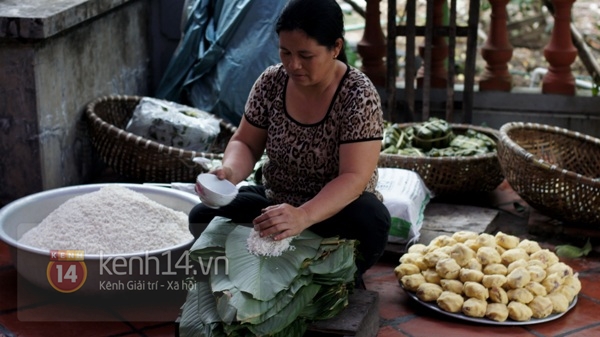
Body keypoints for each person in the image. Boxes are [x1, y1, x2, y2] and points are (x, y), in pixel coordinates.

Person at [188, 0, 391, 288]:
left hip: (333, 211)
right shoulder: (271, 82)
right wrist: (230, 172)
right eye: (285, 52)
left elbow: (354, 177)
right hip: (276, 201)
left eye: (306, 55)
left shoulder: (358, 95)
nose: (293, 64)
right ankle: (276, 263)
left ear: (335, 47)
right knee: (202, 216)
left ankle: (323, 271)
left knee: (371, 218)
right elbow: (246, 142)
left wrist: (303, 216)